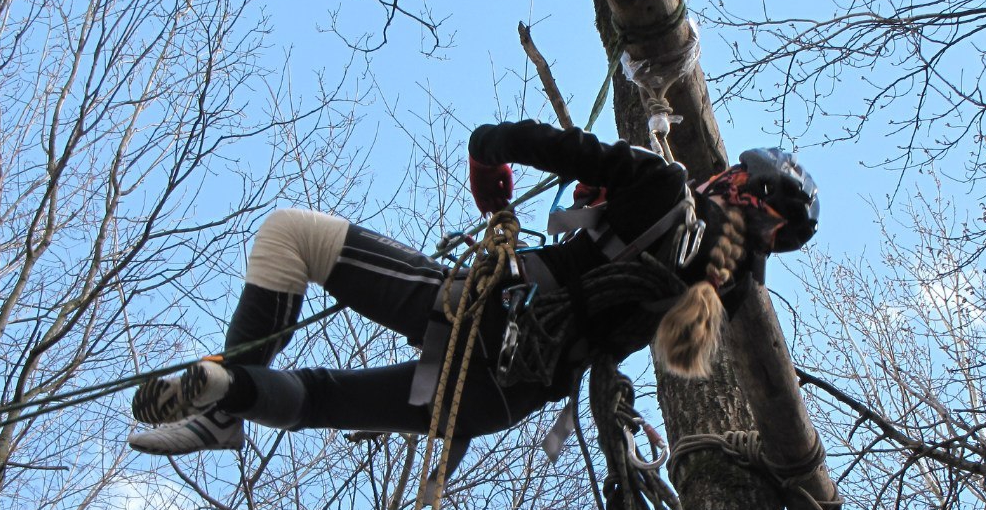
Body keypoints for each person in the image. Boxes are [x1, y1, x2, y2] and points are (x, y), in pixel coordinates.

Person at [127, 120, 818, 456]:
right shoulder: (723, 292)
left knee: (290, 235)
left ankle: (225, 406)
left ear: (730, 179)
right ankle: (233, 395)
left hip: (488, 311)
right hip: (512, 396)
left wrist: (490, 165)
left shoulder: (664, 182)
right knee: (325, 398)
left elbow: (523, 140)